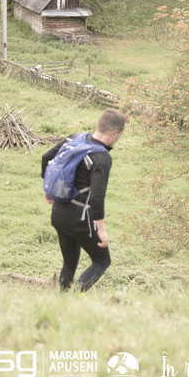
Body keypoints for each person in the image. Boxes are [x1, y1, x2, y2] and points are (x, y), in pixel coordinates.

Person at [41, 108, 127, 292]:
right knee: (101, 261)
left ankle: (62, 300)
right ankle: (76, 296)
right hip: (80, 218)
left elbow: (46, 157)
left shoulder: (74, 138)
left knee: (69, 264)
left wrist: (48, 189)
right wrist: (101, 230)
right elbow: (97, 197)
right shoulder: (101, 157)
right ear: (114, 133)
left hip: (59, 212)